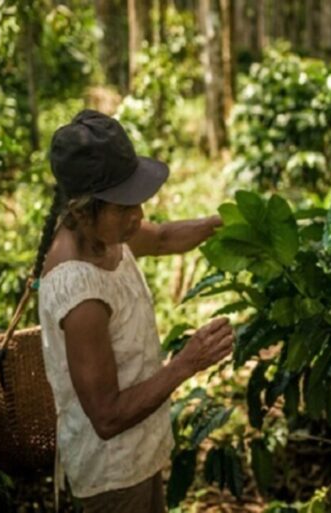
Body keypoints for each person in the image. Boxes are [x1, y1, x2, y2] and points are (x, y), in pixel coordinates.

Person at [35, 110, 234, 513]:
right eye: (124, 207)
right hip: (111, 476)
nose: (138, 216)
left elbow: (161, 238)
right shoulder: (81, 295)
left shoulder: (102, 233)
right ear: (80, 210)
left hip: (137, 455)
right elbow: (106, 417)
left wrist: (223, 223)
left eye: (138, 203)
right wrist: (186, 363)